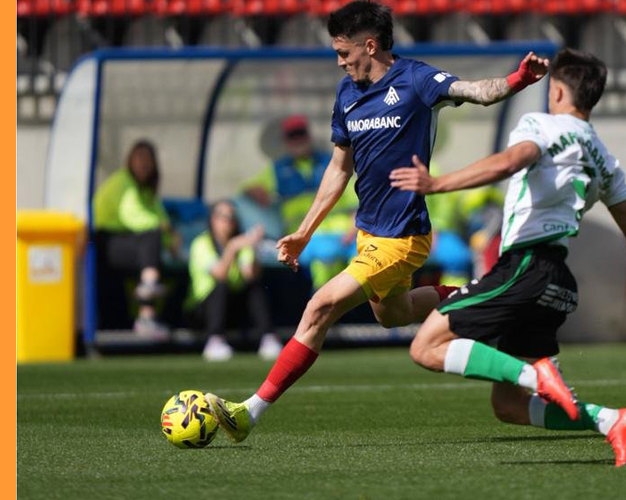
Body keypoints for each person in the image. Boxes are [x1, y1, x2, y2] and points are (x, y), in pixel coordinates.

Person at [205, 0, 551, 442]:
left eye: (344, 52)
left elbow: (476, 91)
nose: (339, 61)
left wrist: (519, 79)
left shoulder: (416, 80)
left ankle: (248, 413)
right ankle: (482, 299)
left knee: (319, 308)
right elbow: (338, 169)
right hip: (369, 234)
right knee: (395, 314)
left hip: (403, 237)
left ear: (370, 46)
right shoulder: (347, 94)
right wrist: (305, 232)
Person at [389, 48, 626, 467]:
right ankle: (611, 421)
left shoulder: (541, 125)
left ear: (557, 92)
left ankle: (538, 377)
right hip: (557, 282)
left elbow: (511, 161)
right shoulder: (604, 159)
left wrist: (437, 184)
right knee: (509, 406)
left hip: (524, 267)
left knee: (426, 347)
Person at [243, 115, 358, 290]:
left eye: (301, 134)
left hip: (342, 234)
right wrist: (257, 193)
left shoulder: (332, 163)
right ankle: (324, 301)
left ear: (309, 136)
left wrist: (352, 229)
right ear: (286, 141)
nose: (298, 140)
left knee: (363, 258)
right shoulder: (278, 170)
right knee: (324, 262)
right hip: (304, 236)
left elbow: (355, 200)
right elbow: (247, 187)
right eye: (292, 136)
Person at [92, 140, 176, 339]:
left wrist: (171, 240)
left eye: (148, 159)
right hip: (105, 242)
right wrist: (164, 229)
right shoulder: (123, 182)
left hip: (125, 243)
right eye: (139, 157)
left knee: (153, 243)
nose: (143, 163)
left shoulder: (146, 190)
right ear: (130, 160)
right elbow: (132, 216)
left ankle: (149, 287)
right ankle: (147, 308)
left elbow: (160, 217)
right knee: (151, 236)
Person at [185, 200, 274, 362]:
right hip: (201, 311)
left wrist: (254, 247)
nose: (230, 222)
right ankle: (214, 341)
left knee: (254, 287)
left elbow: (250, 275)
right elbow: (220, 274)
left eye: (233, 217)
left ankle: (268, 338)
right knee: (221, 286)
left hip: (232, 309)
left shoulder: (240, 243)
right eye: (225, 217)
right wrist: (232, 248)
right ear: (214, 219)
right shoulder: (201, 243)